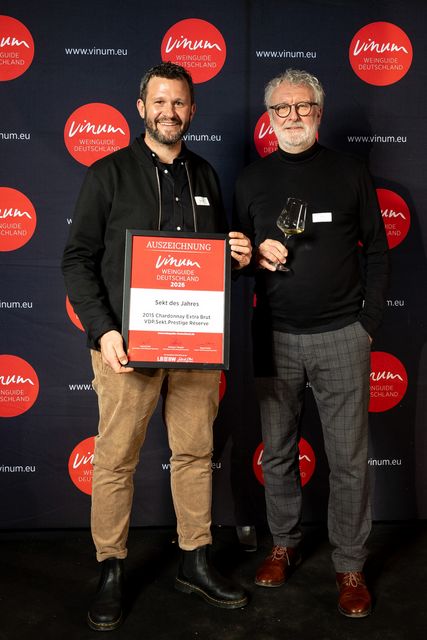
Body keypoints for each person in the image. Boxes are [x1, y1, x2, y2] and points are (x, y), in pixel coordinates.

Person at [62, 61, 252, 631]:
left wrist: (236, 258)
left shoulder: (206, 174)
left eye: (180, 103)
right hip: (125, 348)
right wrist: (104, 330)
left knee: (194, 454)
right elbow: (77, 259)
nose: (170, 112)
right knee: (116, 458)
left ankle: (195, 559)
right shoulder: (109, 173)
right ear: (142, 107)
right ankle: (110, 569)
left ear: (192, 110)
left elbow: (209, 267)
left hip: (194, 348)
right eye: (160, 102)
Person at [234, 68, 389, 618]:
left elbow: (377, 250)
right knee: (278, 452)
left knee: (348, 460)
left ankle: (350, 565)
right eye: (282, 108)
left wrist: (367, 323)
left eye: (303, 107)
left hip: (342, 335)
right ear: (269, 116)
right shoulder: (251, 180)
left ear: (318, 113)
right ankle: (283, 543)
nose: (292, 116)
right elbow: (235, 259)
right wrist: (253, 255)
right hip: (274, 335)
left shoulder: (350, 172)